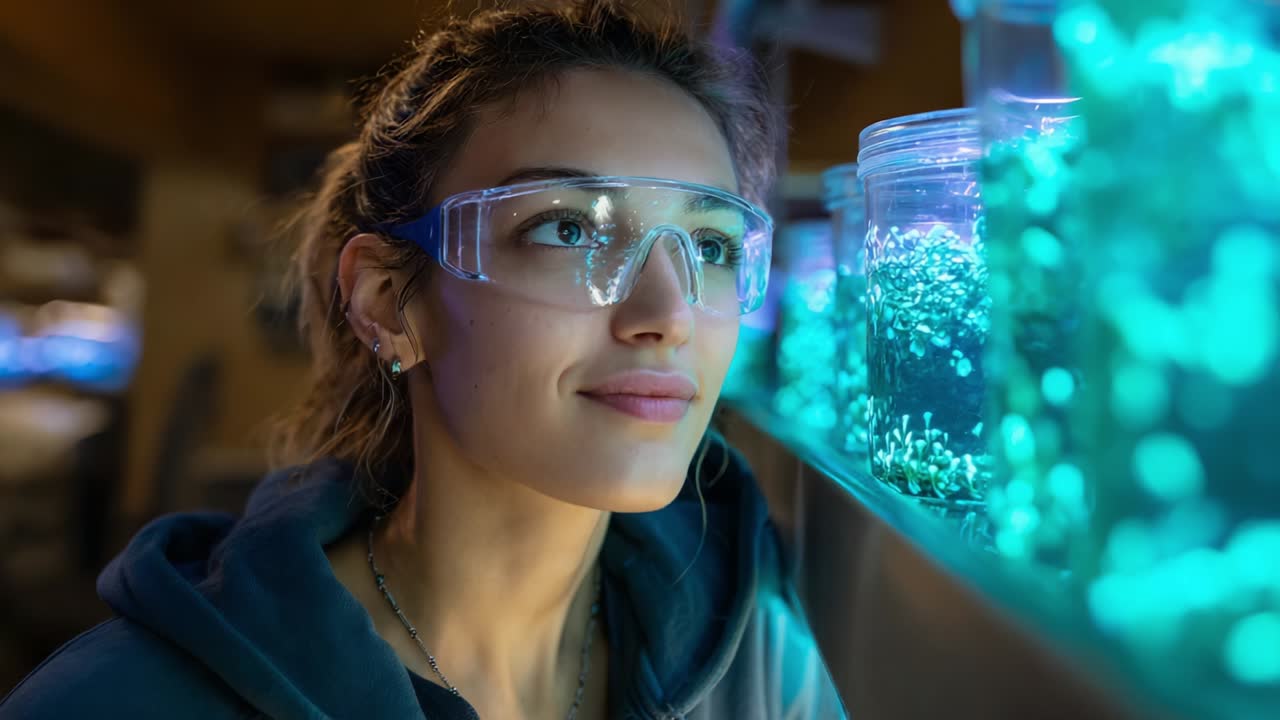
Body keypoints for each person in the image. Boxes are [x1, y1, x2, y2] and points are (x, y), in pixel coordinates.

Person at [1, 1, 845, 718]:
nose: (667, 316)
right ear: (388, 303)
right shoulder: (121, 700)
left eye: (711, 243)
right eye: (567, 229)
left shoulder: (755, 655)